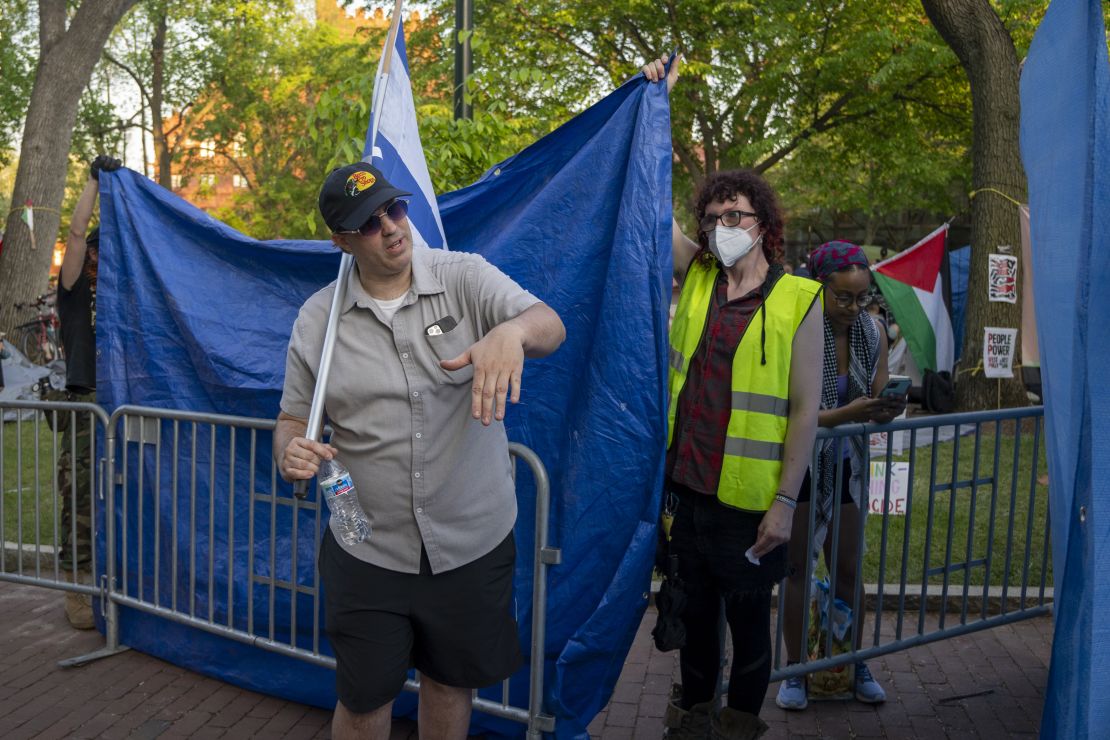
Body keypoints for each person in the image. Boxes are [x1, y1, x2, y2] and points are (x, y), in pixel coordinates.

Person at [274, 162, 565, 740]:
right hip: (368, 549)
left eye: (394, 208)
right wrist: (290, 452)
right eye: (368, 222)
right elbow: (291, 419)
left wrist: (512, 334)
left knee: (450, 684)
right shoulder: (317, 321)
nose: (391, 227)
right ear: (341, 240)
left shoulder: (464, 277)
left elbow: (549, 325)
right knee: (362, 701)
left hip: (470, 544)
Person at [644, 57, 823, 740]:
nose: (721, 224)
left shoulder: (795, 298)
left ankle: (739, 726)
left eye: (734, 214)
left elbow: (806, 409)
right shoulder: (695, 276)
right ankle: (692, 723)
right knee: (692, 626)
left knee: (750, 632)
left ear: (761, 221)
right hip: (688, 494)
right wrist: (656, 108)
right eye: (713, 214)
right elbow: (645, 201)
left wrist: (785, 504)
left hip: (751, 509)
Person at [775, 241, 905, 711]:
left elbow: (876, 391)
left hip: (848, 464)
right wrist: (845, 413)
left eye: (862, 297)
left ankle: (854, 662)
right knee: (797, 571)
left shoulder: (873, 331)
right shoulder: (797, 330)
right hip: (803, 465)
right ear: (819, 286)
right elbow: (792, 412)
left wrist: (888, 406)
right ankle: (794, 671)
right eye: (844, 297)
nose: (855, 307)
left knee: (848, 569)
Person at [53, 153, 121, 629]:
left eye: (104, 253)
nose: (97, 258)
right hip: (84, 405)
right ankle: (77, 588)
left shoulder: (127, 295)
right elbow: (75, 234)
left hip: (121, 407)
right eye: (95, 251)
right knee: (79, 498)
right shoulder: (75, 289)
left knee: (122, 497)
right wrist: (95, 184)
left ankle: (118, 580)